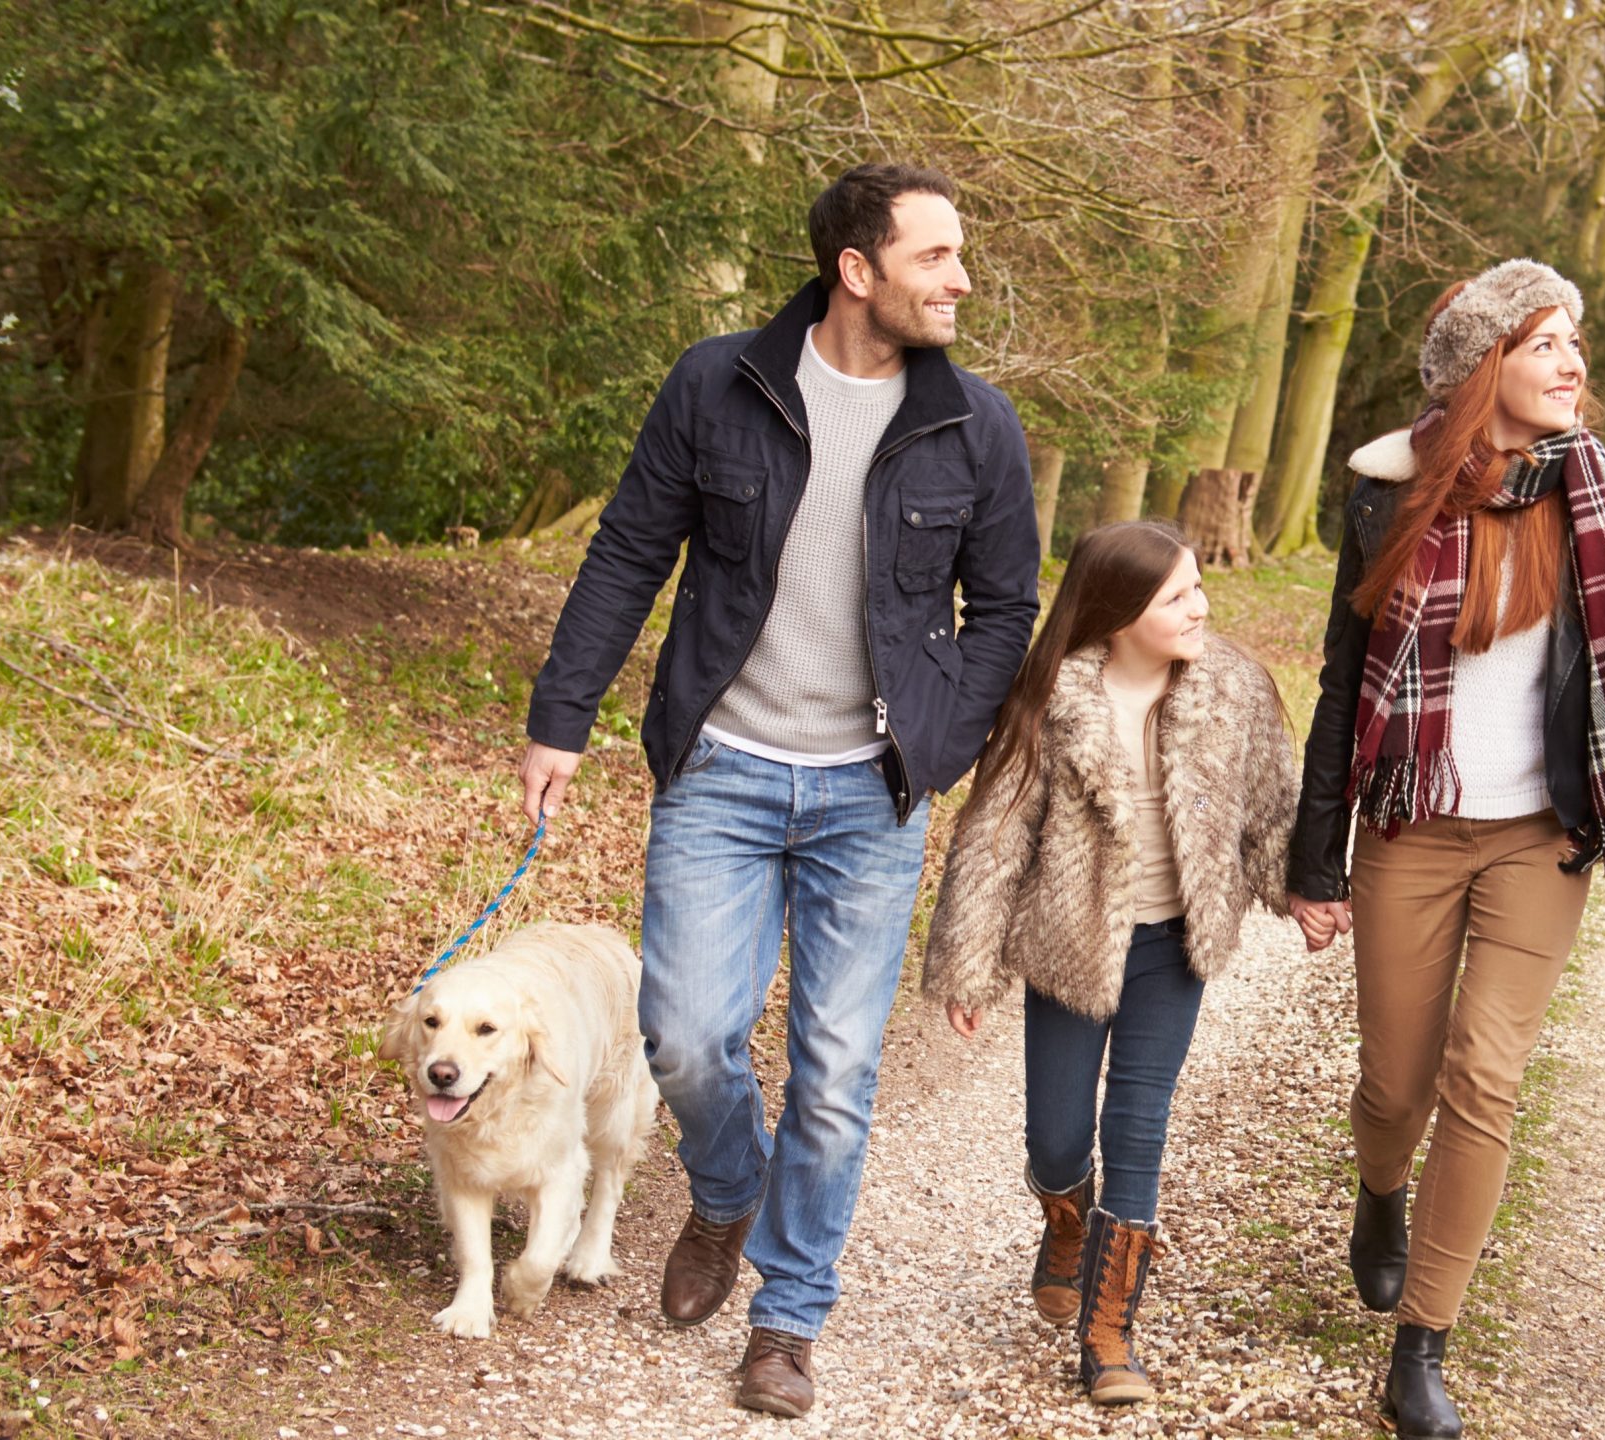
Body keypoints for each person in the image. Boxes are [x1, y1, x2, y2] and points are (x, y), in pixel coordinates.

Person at [516, 163, 1040, 1418]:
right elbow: (628, 551)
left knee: (837, 1070)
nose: (962, 280)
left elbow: (1006, 606)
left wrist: (938, 742)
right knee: (684, 1035)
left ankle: (788, 1318)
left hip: (871, 791)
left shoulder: (977, 427)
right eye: (935, 257)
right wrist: (560, 718)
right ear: (857, 270)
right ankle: (725, 1191)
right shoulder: (719, 384)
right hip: (723, 767)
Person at [1289, 258, 1605, 1440]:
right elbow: (1345, 682)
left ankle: (1422, 1345)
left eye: (1575, 344)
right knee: (1394, 1084)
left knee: (1484, 1077)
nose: (1571, 364)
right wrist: (1314, 862)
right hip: (1409, 827)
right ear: (1480, 363)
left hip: (1539, 839)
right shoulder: (1390, 496)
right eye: (1542, 341)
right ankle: (1380, 1193)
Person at [922, 520, 1296, 1407]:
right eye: (1177, 596)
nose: (1200, 607)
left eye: (1199, 586)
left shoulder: (1232, 690)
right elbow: (995, 834)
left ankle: (1109, 1330)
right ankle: (1065, 1213)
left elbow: (1274, 808)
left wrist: (1307, 891)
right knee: (1055, 1139)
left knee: (1138, 1120)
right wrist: (970, 963)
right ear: (1120, 612)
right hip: (1074, 942)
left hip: (1174, 946)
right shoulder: (1052, 698)